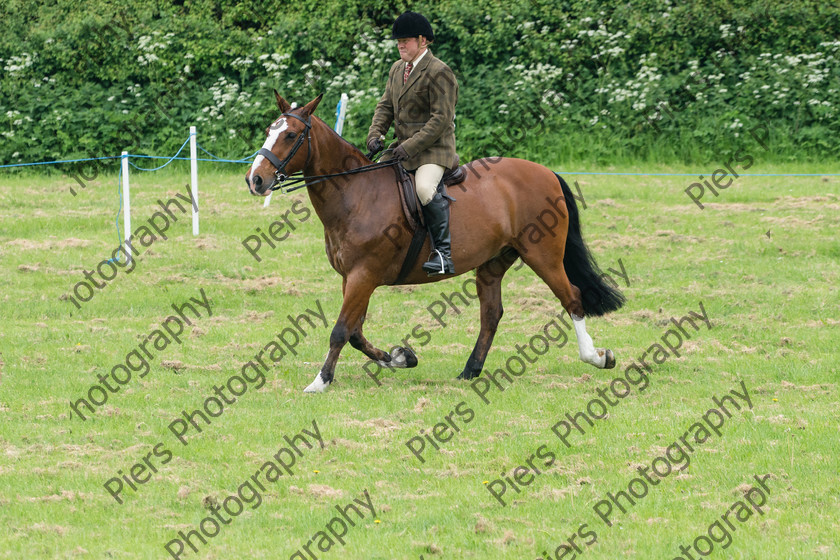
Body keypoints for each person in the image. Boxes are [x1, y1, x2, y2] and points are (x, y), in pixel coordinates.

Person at [367, 11, 458, 276]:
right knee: (376, 182)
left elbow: (441, 119)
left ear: (423, 41)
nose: (400, 45)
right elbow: (385, 106)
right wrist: (375, 135)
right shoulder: (397, 69)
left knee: (424, 188)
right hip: (401, 148)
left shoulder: (440, 71)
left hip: (433, 150)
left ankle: (443, 255)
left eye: (405, 40)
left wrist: (410, 146)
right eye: (398, 41)